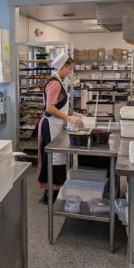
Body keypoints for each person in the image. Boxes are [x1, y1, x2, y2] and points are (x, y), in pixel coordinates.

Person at [37, 53, 83, 204]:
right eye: (70, 69)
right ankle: (50, 194)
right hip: (50, 126)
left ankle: (57, 190)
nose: (70, 72)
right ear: (63, 67)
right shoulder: (55, 83)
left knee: (59, 158)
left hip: (57, 125)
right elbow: (50, 108)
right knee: (53, 159)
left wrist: (74, 113)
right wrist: (68, 118)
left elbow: (60, 106)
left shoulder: (60, 80)